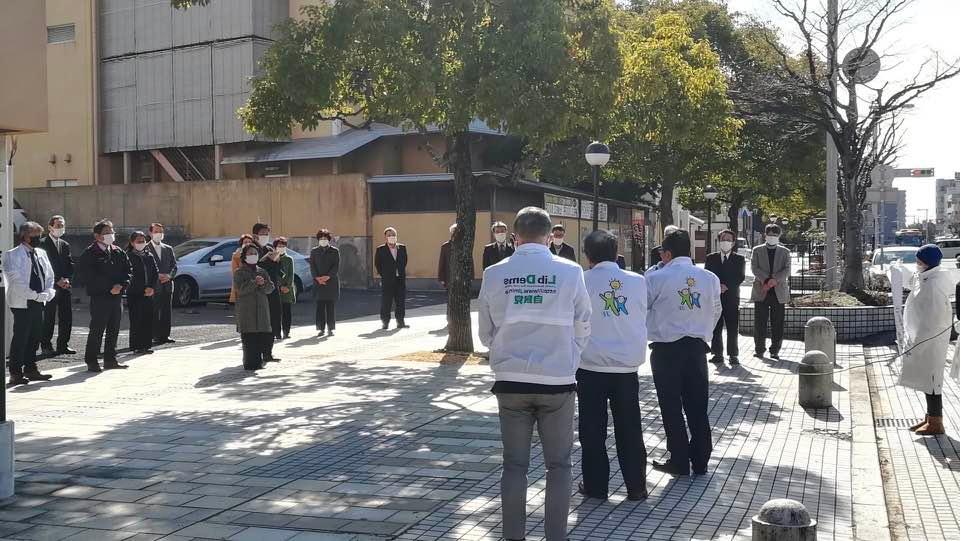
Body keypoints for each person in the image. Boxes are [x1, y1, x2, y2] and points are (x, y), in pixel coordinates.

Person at [478, 206, 591, 541]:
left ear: (515, 236)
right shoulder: (570, 271)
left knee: (514, 465)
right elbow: (584, 323)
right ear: (549, 235)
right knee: (559, 465)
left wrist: (504, 350)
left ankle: (513, 536)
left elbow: (485, 333)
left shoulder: (494, 273)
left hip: (510, 381)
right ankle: (556, 536)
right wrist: (570, 355)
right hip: (557, 381)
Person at [577, 230, 648, 501]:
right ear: (616, 252)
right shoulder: (637, 281)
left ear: (587, 255)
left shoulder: (581, 280)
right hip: (626, 367)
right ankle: (636, 486)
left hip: (590, 366)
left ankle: (596, 487)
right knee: (630, 429)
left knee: (592, 430)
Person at [646, 228, 722, 476]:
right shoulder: (709, 278)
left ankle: (679, 459)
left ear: (667, 253)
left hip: (666, 349)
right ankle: (700, 460)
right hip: (697, 348)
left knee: (671, 406)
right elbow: (716, 310)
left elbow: (642, 308)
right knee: (697, 405)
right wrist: (702, 331)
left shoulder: (656, 278)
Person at [901, 245, 955, 435]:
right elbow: (912, 281)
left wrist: (919, 341)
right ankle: (929, 417)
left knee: (932, 381)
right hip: (923, 337)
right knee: (927, 378)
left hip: (930, 339)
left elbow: (934, 319)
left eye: (919, 261)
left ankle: (936, 422)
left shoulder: (933, 285)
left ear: (927, 262)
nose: (917, 264)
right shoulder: (927, 277)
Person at [4, 222, 56, 385]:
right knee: (21, 337)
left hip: (39, 301)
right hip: (22, 302)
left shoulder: (41, 253)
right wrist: (35, 296)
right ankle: (15, 372)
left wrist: (47, 293)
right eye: (35, 235)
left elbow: (49, 276)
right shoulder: (13, 255)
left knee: (35, 336)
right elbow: (16, 281)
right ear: (25, 236)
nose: (38, 238)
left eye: (39, 235)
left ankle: (31, 369)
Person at [77, 219, 132, 372]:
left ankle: (110, 359)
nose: (110, 234)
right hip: (100, 297)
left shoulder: (117, 251)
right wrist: (108, 288)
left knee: (114, 328)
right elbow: (87, 276)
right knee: (97, 329)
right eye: (106, 232)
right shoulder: (90, 253)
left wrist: (122, 285)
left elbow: (128, 270)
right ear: (97, 236)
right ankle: (92, 360)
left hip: (117, 296)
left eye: (111, 231)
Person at [706, 229, 746, 365]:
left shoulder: (739, 259)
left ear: (733, 243)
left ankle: (733, 354)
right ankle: (717, 353)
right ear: (719, 241)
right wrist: (718, 286)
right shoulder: (711, 258)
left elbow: (740, 276)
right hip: (715, 297)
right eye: (723, 239)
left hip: (731, 297)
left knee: (732, 327)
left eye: (729, 240)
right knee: (716, 326)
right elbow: (707, 275)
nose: (725, 242)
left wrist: (727, 286)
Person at [751, 224, 791, 360]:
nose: (772, 237)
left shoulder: (785, 252)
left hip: (778, 292)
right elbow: (754, 268)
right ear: (765, 235)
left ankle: (775, 350)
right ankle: (759, 349)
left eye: (775, 235)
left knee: (777, 323)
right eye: (770, 235)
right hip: (761, 290)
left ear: (779, 236)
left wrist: (774, 280)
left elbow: (787, 269)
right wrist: (767, 280)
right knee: (760, 323)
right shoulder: (757, 250)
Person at [234, 243, 275, 371]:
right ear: (244, 256)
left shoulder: (262, 271)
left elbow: (270, 288)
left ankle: (258, 362)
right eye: (250, 253)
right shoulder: (239, 272)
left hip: (261, 309)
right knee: (249, 339)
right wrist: (254, 283)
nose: (253, 255)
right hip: (247, 310)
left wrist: (263, 284)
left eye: (255, 253)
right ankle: (249, 363)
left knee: (260, 337)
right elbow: (240, 290)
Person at [39, 215, 75, 356]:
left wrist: (67, 280)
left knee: (66, 317)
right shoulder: (42, 243)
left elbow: (70, 265)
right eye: (58, 225)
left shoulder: (65, 245)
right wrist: (56, 280)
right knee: (48, 317)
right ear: (50, 227)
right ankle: (46, 345)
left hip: (64, 287)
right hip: (50, 287)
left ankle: (63, 345)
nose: (61, 228)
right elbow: (43, 266)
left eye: (62, 225)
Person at [125, 231, 159, 354]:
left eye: (143, 241)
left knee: (148, 318)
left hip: (148, 292)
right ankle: (136, 346)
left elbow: (155, 272)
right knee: (136, 319)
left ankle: (146, 345)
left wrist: (151, 287)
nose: (141, 243)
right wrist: (140, 288)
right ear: (132, 243)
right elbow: (127, 274)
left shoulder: (149, 256)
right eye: (138, 241)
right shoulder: (127, 256)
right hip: (134, 293)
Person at [148, 223, 177, 345]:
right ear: (150, 233)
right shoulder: (146, 248)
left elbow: (174, 266)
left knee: (166, 311)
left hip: (167, 285)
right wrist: (157, 275)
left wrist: (169, 276)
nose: (159, 234)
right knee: (154, 310)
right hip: (154, 285)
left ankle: (165, 335)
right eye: (156, 231)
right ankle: (153, 334)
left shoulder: (168, 248)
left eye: (160, 231)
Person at [374, 227, 408, 330]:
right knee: (386, 302)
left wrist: (400, 271)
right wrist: (385, 274)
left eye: (393, 235)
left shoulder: (402, 248)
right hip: (387, 280)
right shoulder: (380, 249)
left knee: (400, 302)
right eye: (389, 235)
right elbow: (378, 264)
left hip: (400, 280)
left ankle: (400, 322)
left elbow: (405, 261)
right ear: (385, 237)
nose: (391, 237)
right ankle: (385, 322)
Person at [310, 229, 340, 336]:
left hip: (331, 282)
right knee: (320, 307)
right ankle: (321, 328)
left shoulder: (334, 251)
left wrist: (327, 277)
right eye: (321, 238)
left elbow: (336, 266)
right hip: (318, 283)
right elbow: (312, 266)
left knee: (330, 306)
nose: (323, 240)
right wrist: (317, 278)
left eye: (325, 238)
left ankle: (330, 328)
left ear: (329, 239)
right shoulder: (314, 251)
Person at [258, 238, 284, 342]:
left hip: (272, 283)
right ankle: (265, 334)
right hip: (260, 285)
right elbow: (256, 266)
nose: (264, 236)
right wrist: (264, 258)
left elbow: (278, 269)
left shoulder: (270, 249)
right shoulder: (254, 250)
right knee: (263, 312)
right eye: (262, 233)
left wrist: (277, 261)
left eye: (266, 233)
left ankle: (277, 332)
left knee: (276, 310)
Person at [275, 237, 296, 339]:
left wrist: (287, 286)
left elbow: (291, 275)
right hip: (276, 289)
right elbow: (273, 274)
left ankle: (286, 332)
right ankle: (277, 333)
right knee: (276, 313)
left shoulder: (289, 259)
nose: (281, 247)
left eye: (283, 246)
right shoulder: (273, 259)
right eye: (279, 246)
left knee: (287, 312)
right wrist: (279, 286)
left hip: (287, 290)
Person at [229, 234, 256, 304]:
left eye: (249, 242)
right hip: (242, 285)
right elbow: (234, 272)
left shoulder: (255, 254)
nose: (247, 244)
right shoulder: (236, 255)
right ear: (241, 244)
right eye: (245, 242)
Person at [437, 224, 457, 289]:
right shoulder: (446, 246)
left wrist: (471, 277)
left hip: (461, 278)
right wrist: (441, 278)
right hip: (449, 277)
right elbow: (442, 262)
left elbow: (469, 261)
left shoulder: (464, 246)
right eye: (454, 231)